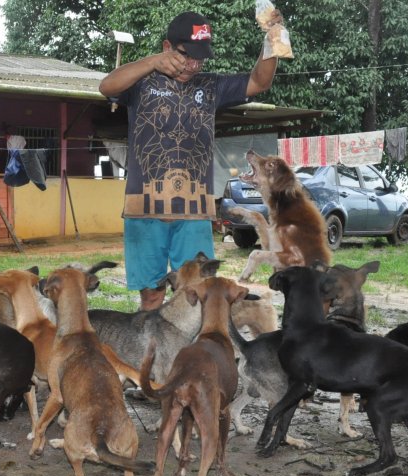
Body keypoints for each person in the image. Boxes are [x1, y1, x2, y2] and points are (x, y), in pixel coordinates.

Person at [99, 11, 280, 310]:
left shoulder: (211, 86)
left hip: (195, 211)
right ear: (167, 46)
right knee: (152, 294)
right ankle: (155, 354)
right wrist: (152, 62)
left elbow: (259, 82)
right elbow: (107, 86)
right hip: (144, 208)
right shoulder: (141, 82)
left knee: (196, 293)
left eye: (200, 58)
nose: (194, 65)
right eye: (186, 55)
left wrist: (273, 37)